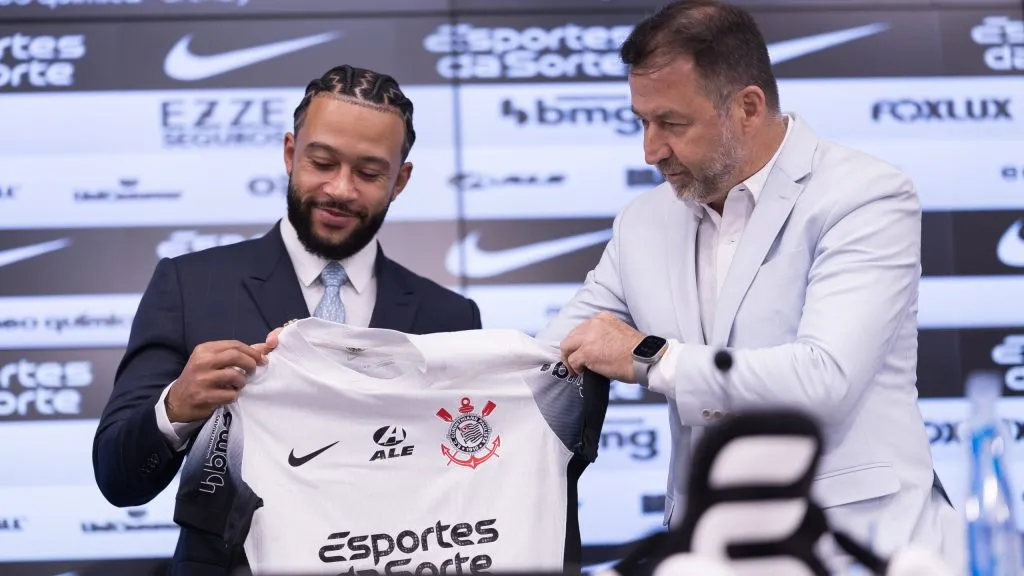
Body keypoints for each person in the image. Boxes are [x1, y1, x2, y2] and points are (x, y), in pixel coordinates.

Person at [534, 1, 964, 572]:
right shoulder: (641, 221)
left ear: (748, 107)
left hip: (858, 549)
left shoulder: (866, 195)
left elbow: (823, 380)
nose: (650, 150)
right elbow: (550, 356)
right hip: (708, 552)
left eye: (672, 123)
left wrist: (648, 358)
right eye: (642, 121)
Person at [91, 64, 482, 576]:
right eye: (321, 162)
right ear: (289, 152)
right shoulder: (188, 285)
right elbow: (118, 480)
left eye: (368, 173)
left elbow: (468, 490)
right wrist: (176, 408)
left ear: (400, 180)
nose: (340, 189)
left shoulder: (450, 317)